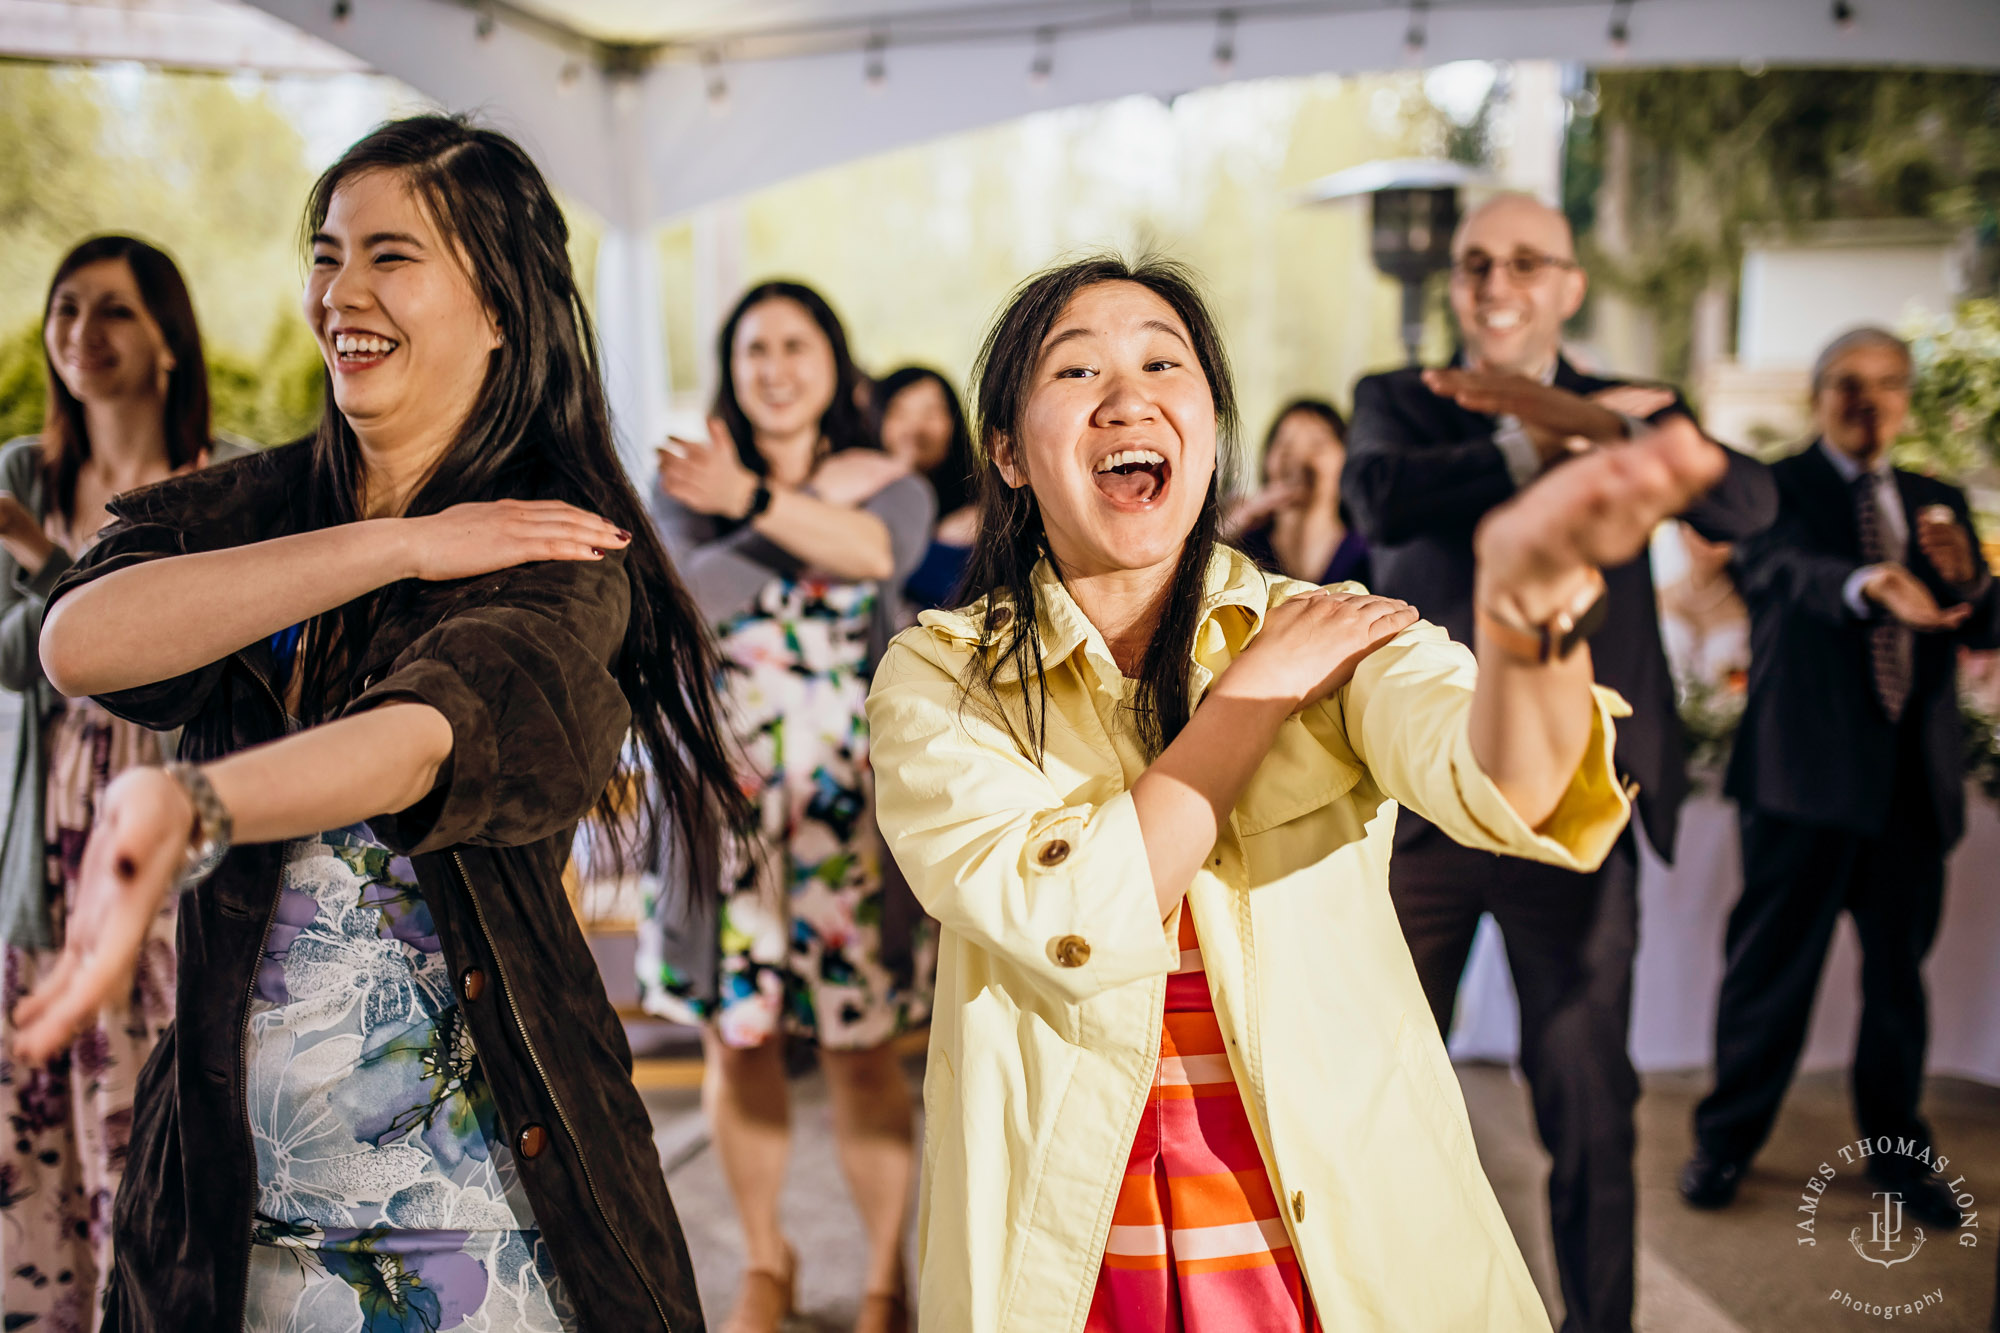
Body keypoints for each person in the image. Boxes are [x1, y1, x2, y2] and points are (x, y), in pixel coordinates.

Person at [865, 254, 1727, 1333]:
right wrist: (1252, 699)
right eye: (1076, 371)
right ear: (1006, 452)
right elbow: (1068, 913)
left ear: (1210, 427)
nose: (1128, 395)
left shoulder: (1334, 626)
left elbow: (1505, 778)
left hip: (1327, 1260)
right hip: (1074, 1267)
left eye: (1161, 363)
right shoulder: (943, 673)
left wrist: (1524, 622)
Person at [11, 114, 742, 1332]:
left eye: (391, 256)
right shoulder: (266, 507)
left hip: (479, 1228)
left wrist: (198, 801)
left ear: (501, 304)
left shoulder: (556, 548)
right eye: (326, 250)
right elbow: (75, 638)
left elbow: (421, 734)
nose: (340, 290)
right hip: (229, 1221)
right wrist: (394, 541)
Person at [1341, 191, 1777, 1333]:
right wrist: (1541, 431)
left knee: (1588, 1106)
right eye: (1476, 262)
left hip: (1575, 809)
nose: (1495, 283)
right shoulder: (1398, 400)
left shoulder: (1633, 406)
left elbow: (1745, 496)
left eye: (1526, 262)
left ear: (1570, 285)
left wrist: (1592, 420)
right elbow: (1383, 501)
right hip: (1418, 807)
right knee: (1370, 1086)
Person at [643, 281, 935, 1333]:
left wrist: (758, 506)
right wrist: (776, 507)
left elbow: (879, 553)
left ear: (833, 364)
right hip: (727, 818)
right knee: (741, 1040)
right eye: (753, 346)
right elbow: (689, 602)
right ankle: (766, 1260)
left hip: (849, 821)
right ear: (731, 368)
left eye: (796, 344)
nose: (774, 364)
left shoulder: (890, 484)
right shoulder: (682, 485)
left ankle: (881, 1279)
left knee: (861, 1049)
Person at [1682, 327, 1999, 1228]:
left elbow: (1979, 622)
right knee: (1770, 977)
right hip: (1801, 783)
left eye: (1889, 385)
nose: (1870, 402)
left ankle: (1899, 1153)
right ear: (1821, 395)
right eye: (1850, 385)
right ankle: (1725, 1143)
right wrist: (1870, 583)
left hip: (1911, 786)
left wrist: (1968, 578)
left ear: (1906, 399)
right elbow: (1783, 572)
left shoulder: (1938, 500)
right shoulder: (1774, 489)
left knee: (1900, 984)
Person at [0, 234, 217, 1330]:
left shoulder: (227, 479)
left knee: (163, 1118)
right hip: (45, 836)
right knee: (40, 1137)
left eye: (115, 311)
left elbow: (187, 655)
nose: (84, 332)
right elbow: (7, 656)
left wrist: (45, 565)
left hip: (173, 829)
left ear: (169, 339)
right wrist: (69, 598)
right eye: (67, 308)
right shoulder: (20, 474)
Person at [1224, 398, 1370, 586]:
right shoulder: (1242, 553)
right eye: (1285, 443)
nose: (1298, 455)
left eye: (1317, 444)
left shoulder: (1366, 556)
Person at [876, 365, 979, 611]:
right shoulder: (861, 499)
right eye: (900, 413)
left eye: (930, 413)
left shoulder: (983, 510)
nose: (915, 428)